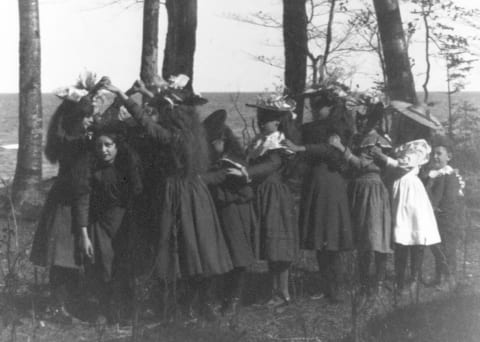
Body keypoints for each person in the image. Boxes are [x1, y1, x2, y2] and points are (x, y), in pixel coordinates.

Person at [103, 78, 233, 321]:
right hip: (196, 193)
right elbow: (163, 113)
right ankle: (195, 305)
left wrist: (124, 96)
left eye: (166, 110)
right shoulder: (193, 132)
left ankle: (177, 308)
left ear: (172, 114)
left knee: (175, 246)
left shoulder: (174, 137)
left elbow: (149, 125)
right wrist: (147, 92)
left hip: (176, 194)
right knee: (197, 248)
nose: (162, 113)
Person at [30, 87, 97, 323]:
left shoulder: (72, 138)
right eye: (87, 116)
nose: (91, 120)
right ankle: (59, 308)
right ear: (76, 119)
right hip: (67, 202)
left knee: (68, 256)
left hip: (71, 200)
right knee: (63, 256)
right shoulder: (73, 143)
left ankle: (63, 305)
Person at [284, 86, 354, 303]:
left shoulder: (339, 125)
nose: (315, 109)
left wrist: (302, 149)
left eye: (319, 106)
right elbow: (295, 140)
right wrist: (288, 118)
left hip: (329, 183)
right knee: (320, 237)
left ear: (331, 105)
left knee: (330, 237)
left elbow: (332, 151)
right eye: (312, 106)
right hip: (316, 181)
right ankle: (327, 286)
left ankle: (336, 288)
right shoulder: (313, 126)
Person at [230, 95, 298, 306]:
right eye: (260, 117)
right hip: (262, 193)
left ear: (277, 121)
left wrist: (245, 172)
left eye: (266, 118)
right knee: (270, 244)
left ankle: (283, 292)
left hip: (274, 194)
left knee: (278, 242)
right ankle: (273, 290)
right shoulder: (259, 140)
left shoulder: (278, 142)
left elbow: (270, 165)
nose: (261, 122)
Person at [71, 125, 143, 323]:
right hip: (99, 224)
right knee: (102, 266)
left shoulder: (128, 168)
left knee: (124, 267)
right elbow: (83, 201)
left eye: (108, 145)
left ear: (117, 146)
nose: (104, 150)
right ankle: (103, 309)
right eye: (99, 145)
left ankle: (124, 311)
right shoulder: (90, 170)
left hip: (124, 223)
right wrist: (84, 236)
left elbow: (137, 197)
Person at [370, 100, 442, 295]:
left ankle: (414, 278)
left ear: (419, 126)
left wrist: (384, 159)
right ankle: (400, 280)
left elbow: (404, 165)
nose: (408, 125)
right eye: (407, 121)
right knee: (401, 236)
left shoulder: (421, 146)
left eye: (413, 123)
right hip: (396, 188)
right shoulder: (402, 142)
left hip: (410, 189)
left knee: (415, 233)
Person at [329, 102, 393, 295]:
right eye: (359, 118)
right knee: (362, 237)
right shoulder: (359, 139)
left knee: (376, 235)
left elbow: (362, 164)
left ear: (374, 119)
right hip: (358, 189)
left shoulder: (377, 140)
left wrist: (341, 148)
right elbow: (352, 166)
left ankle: (379, 281)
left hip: (372, 189)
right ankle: (364, 281)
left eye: (366, 118)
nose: (362, 122)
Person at [201, 109, 258, 315]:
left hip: (234, 209)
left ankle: (233, 299)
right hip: (221, 208)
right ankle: (220, 297)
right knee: (220, 254)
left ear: (223, 140)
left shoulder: (234, 160)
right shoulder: (218, 157)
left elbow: (225, 178)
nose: (210, 146)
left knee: (237, 254)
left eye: (214, 142)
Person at [424, 136, 461, 291]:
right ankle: (439, 276)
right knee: (436, 247)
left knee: (447, 248)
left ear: (449, 156)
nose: (435, 156)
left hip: (446, 217)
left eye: (439, 153)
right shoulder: (434, 174)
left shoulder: (449, 175)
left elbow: (450, 199)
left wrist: (440, 210)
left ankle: (449, 279)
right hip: (436, 216)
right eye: (434, 153)